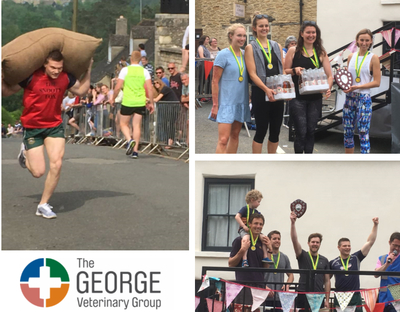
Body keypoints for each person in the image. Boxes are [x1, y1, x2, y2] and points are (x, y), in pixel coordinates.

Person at [1, 50, 92, 218]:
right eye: (53, 67)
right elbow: (6, 91)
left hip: (54, 126)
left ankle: (43, 204)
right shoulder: (30, 76)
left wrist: (88, 70)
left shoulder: (65, 77)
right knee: (38, 172)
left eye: (59, 67)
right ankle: (25, 153)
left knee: (57, 164)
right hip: (33, 127)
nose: (56, 71)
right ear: (44, 64)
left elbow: (82, 91)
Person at [284, 21, 333, 153]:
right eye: (308, 32)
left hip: (315, 98)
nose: (311, 35)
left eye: (313, 32)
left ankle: (309, 162)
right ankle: (299, 163)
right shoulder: (293, 51)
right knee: (301, 131)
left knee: (311, 131)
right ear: (302, 34)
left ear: (317, 34)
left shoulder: (321, 52)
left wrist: (328, 88)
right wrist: (294, 70)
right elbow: (284, 71)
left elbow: (329, 75)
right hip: (297, 97)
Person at [245, 13, 284, 154]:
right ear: (254, 28)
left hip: (277, 92)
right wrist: (266, 89)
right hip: (260, 93)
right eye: (261, 26)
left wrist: (287, 90)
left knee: (275, 131)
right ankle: (257, 162)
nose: (264, 28)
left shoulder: (276, 46)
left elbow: (282, 70)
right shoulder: (251, 47)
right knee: (261, 130)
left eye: (266, 25)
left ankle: (271, 160)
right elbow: (252, 74)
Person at [210, 24, 251, 153]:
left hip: (240, 102)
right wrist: (215, 104)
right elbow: (214, 81)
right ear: (231, 36)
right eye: (239, 35)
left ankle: (229, 166)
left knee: (234, 137)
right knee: (223, 140)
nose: (242, 38)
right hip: (226, 103)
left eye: (244, 36)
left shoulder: (246, 55)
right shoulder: (223, 55)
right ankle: (218, 169)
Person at [110, 51, 154, 159]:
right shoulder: (144, 71)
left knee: (123, 124)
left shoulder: (125, 70)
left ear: (131, 59)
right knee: (137, 126)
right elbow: (150, 88)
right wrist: (151, 102)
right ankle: (135, 152)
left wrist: (113, 98)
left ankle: (130, 140)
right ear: (140, 60)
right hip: (140, 101)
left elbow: (118, 86)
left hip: (128, 101)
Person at [343, 29, 381, 154]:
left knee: (363, 131)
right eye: (362, 40)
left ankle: (365, 164)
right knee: (347, 130)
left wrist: (358, 87)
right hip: (350, 97)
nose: (364, 43)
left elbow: (377, 82)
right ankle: (349, 162)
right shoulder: (350, 57)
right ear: (357, 41)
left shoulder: (373, 58)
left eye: (367, 40)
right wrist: (344, 84)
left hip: (364, 98)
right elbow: (348, 78)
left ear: (370, 42)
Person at [330, 218, 379, 312]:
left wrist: (375, 225)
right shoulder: (333, 262)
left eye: (349, 245)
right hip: (340, 297)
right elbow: (326, 279)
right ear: (339, 247)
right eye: (344, 246)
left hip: (355, 296)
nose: (347, 248)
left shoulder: (356, 258)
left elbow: (370, 242)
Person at [229, 213, 272, 312]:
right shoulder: (239, 240)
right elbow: (231, 264)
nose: (258, 226)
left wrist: (270, 249)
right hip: (244, 285)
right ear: (249, 224)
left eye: (260, 224)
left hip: (259, 286)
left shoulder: (263, 243)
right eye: (256, 223)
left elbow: (266, 267)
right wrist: (242, 250)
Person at [290, 211, 330, 311]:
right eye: (313, 242)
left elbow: (327, 281)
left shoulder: (324, 260)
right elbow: (294, 240)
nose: (315, 244)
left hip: (319, 296)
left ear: (320, 244)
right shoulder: (302, 255)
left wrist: (327, 299)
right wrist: (293, 223)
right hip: (303, 293)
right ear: (308, 243)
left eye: (317, 242)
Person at [235, 189, 271, 267]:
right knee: (246, 239)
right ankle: (245, 259)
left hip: (252, 231)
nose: (259, 204)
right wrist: (244, 226)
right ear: (252, 200)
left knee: (264, 238)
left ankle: (265, 256)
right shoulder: (245, 209)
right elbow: (237, 217)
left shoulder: (256, 212)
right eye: (258, 201)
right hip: (244, 230)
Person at [264, 230, 294, 311]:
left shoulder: (284, 257)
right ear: (269, 240)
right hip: (264, 296)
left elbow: (291, 275)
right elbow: (257, 275)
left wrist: (287, 285)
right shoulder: (264, 256)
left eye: (279, 239)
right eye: (274, 239)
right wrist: (264, 286)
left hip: (279, 298)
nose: (277, 241)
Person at [375, 232, 400, 312]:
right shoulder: (381, 258)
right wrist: (387, 264)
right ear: (389, 242)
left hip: (397, 299)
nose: (397, 248)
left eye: (399, 246)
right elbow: (376, 274)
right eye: (394, 245)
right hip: (383, 299)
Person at [153, 78, 179, 147]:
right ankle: (167, 140)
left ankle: (170, 142)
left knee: (170, 124)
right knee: (165, 124)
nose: (156, 85)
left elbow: (156, 99)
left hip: (173, 107)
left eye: (157, 83)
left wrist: (146, 98)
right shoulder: (161, 91)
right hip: (169, 108)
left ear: (160, 83)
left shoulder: (165, 89)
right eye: (154, 83)